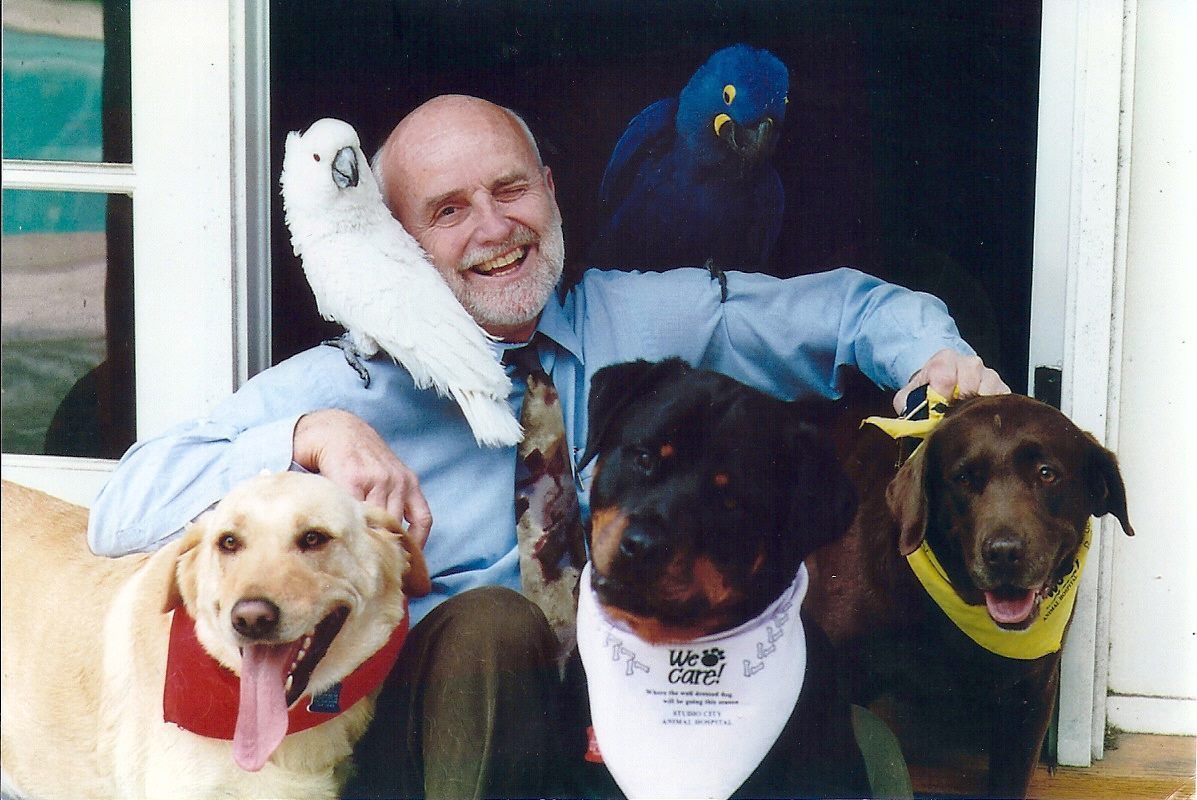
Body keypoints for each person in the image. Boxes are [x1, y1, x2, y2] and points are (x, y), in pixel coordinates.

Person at [87, 94, 1008, 798]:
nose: (494, 229)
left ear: (551, 191)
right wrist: (304, 433)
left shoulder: (635, 316)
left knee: (864, 749)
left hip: (638, 695)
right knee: (495, 627)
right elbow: (123, 504)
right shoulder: (350, 382)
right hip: (448, 733)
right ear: (398, 242)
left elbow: (847, 308)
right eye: (448, 211)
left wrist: (935, 361)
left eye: (509, 189)